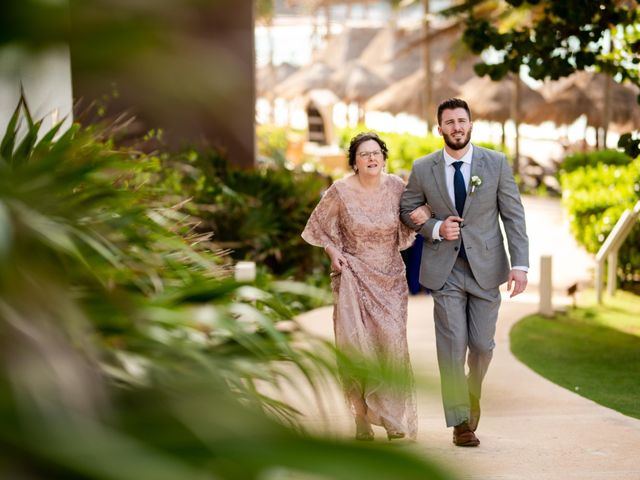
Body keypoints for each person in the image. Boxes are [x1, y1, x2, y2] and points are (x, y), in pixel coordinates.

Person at [400, 98, 529, 447]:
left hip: (487, 269)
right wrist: (436, 228)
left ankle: (472, 393)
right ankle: (460, 422)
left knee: (482, 347)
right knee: (452, 345)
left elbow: (513, 216)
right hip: (445, 272)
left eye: (462, 121)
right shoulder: (424, 167)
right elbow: (408, 207)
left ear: (471, 124)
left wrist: (520, 264)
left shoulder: (496, 163)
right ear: (439, 128)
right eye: (449, 122)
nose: (456, 127)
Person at [301, 132, 429, 442]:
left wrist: (426, 215)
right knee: (357, 348)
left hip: (390, 281)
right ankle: (360, 417)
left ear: (384, 159)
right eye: (364, 154)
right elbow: (319, 229)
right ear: (355, 162)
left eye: (376, 153)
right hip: (353, 277)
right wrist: (334, 254)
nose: (371, 158)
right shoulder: (340, 191)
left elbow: (415, 219)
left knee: (391, 348)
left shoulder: (399, 188)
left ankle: (393, 418)